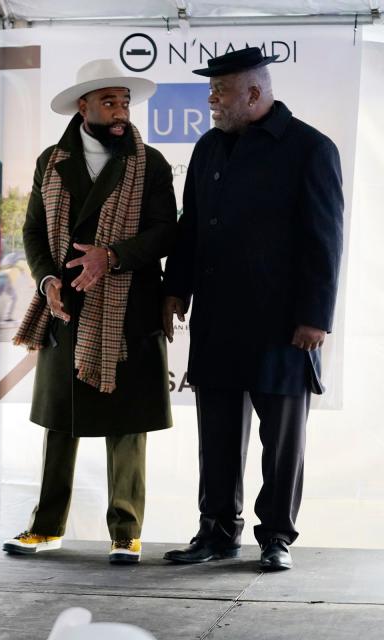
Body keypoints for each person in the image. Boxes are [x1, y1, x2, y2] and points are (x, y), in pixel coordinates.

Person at [162, 48, 344, 571]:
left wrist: (315, 316)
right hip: (218, 319)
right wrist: (176, 288)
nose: (212, 101)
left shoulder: (310, 148)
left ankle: (276, 537)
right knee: (216, 435)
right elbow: (190, 226)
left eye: (220, 92)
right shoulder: (208, 149)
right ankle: (216, 532)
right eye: (211, 92)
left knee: (281, 441)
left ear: (254, 93)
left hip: (283, 325)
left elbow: (323, 239)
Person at [5, 59, 176, 563]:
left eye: (124, 102)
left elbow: (166, 233)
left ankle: (126, 531)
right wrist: (47, 279)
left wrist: (113, 255)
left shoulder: (153, 164)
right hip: (66, 306)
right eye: (109, 102)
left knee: (128, 425)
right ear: (84, 106)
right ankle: (46, 526)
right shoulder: (50, 161)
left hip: (129, 307)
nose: (120, 111)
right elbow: (34, 232)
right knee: (61, 421)